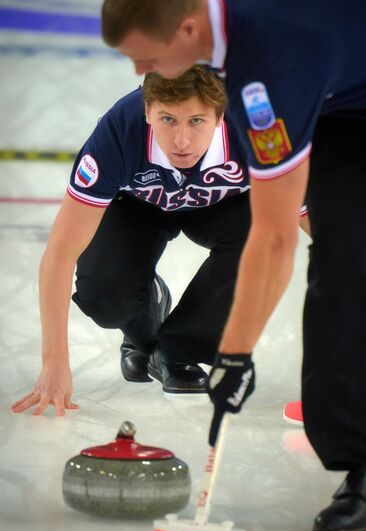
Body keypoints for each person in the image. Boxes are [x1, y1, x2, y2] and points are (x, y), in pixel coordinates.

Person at [101, 0, 366, 531]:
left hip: (338, 80)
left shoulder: (264, 73)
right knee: (342, 266)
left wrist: (234, 355)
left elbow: (271, 239)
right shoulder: (232, 53)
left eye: (146, 57)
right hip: (340, 99)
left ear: (189, 30)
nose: (138, 74)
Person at [11, 65, 263, 414]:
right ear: (146, 110)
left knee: (265, 236)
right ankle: (146, 308)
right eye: (167, 119)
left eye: (196, 121)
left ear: (220, 114)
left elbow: (313, 229)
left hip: (222, 205)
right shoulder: (119, 130)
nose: (182, 141)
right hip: (137, 205)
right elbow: (59, 254)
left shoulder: (256, 126)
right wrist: (54, 364)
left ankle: (179, 349)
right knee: (104, 299)